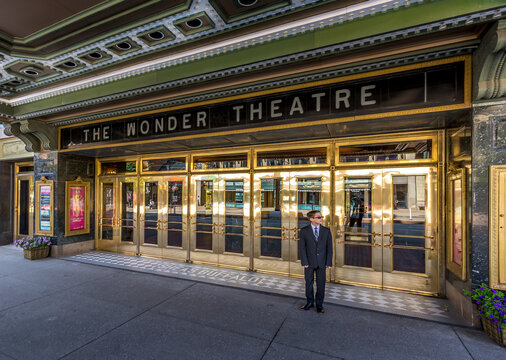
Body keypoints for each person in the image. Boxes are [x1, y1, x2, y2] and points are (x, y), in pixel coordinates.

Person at [299, 210, 333, 313]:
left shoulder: (326, 231)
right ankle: (309, 302)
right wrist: (304, 261)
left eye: (321, 217)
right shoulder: (304, 231)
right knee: (308, 283)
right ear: (311, 219)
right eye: (318, 217)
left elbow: (329, 249)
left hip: (322, 263)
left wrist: (328, 262)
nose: (321, 218)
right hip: (309, 263)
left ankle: (319, 305)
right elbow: (302, 248)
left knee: (321, 284)